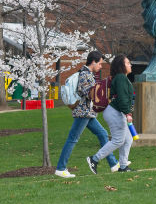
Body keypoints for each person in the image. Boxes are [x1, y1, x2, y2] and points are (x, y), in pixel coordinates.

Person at [54, 50, 119, 178]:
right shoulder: (85, 74)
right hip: (83, 112)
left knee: (103, 133)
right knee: (73, 139)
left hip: (87, 113)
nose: (100, 66)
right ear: (93, 62)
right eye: (99, 64)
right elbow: (88, 92)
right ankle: (61, 168)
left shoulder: (86, 73)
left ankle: (113, 164)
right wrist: (102, 90)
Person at [86, 54, 134, 174]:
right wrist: (128, 113)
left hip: (116, 112)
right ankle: (94, 159)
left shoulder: (121, 78)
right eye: (128, 63)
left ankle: (123, 166)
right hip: (115, 112)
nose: (130, 65)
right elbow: (122, 98)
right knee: (118, 140)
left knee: (128, 139)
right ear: (121, 66)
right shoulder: (121, 78)